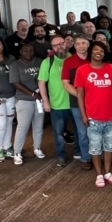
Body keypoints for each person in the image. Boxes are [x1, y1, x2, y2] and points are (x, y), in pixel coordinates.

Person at [75, 41, 112, 188]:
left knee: (109, 147)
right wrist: (83, 115)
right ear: (90, 52)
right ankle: (99, 174)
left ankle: (107, 172)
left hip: (111, 117)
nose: (99, 53)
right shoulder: (82, 70)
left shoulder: (111, 68)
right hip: (93, 117)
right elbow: (80, 94)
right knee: (95, 148)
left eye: (102, 51)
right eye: (96, 50)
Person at [38, 35, 75, 166]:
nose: (59, 46)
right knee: (58, 134)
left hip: (75, 103)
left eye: (61, 43)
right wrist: (46, 101)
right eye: (55, 45)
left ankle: (79, 152)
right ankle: (61, 155)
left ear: (66, 43)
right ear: (52, 48)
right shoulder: (47, 62)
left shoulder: (73, 58)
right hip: (57, 104)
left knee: (78, 131)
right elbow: (41, 83)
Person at [9, 43, 45, 164]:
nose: (28, 52)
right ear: (20, 52)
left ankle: (37, 148)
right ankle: (17, 152)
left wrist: (41, 94)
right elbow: (15, 83)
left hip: (40, 99)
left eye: (31, 50)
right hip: (24, 99)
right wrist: (33, 94)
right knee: (23, 127)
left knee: (39, 125)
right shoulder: (16, 64)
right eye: (25, 50)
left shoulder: (40, 62)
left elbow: (44, 78)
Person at [61, 35, 92, 170]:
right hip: (76, 103)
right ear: (74, 45)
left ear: (88, 44)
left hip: (96, 102)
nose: (81, 46)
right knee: (82, 132)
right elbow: (66, 84)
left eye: (83, 43)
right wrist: (81, 96)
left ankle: (99, 155)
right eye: (78, 43)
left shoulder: (94, 59)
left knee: (96, 130)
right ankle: (86, 158)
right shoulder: (68, 62)